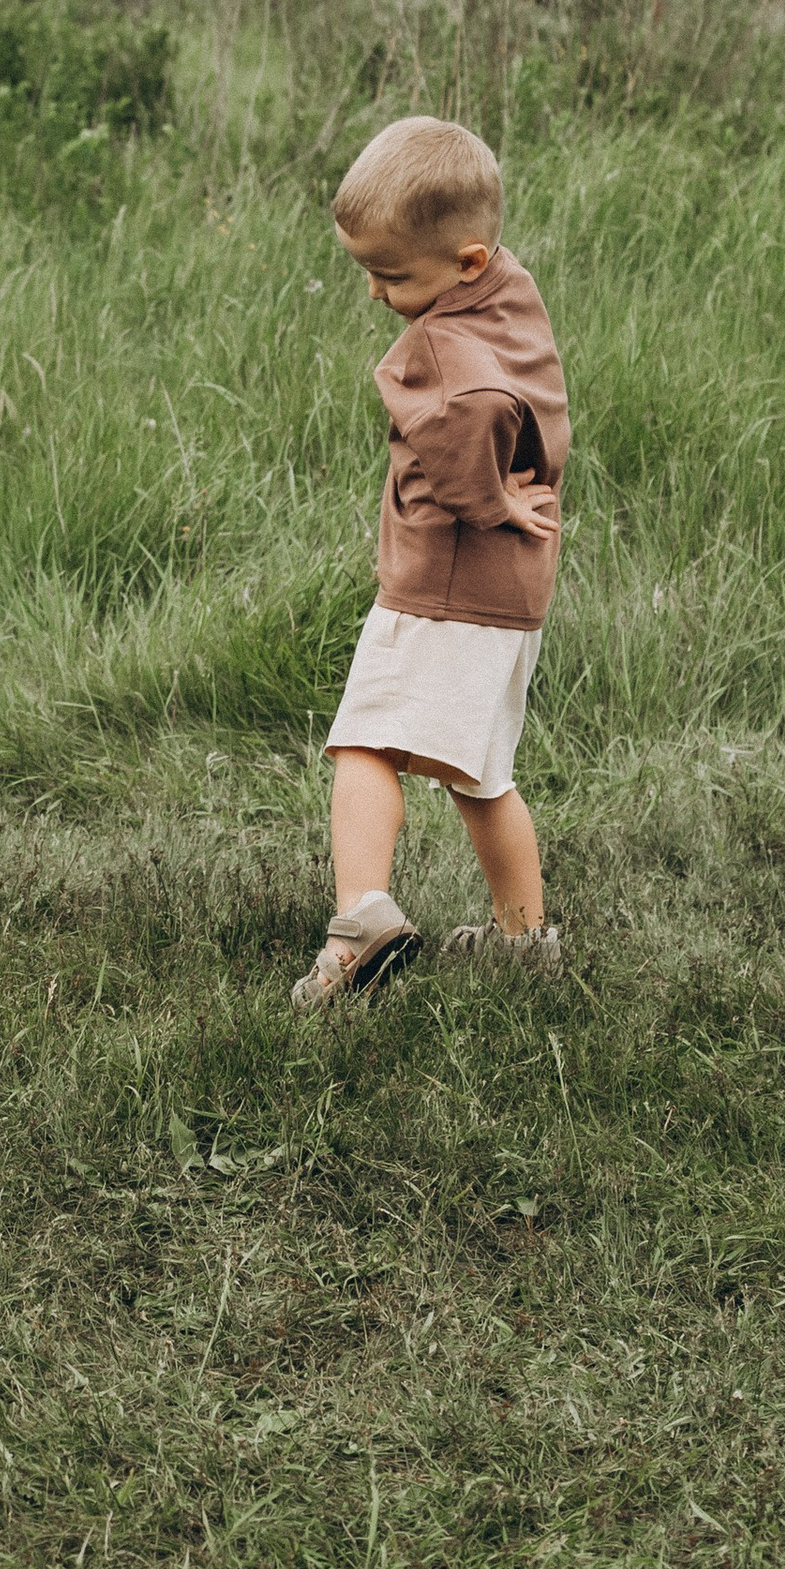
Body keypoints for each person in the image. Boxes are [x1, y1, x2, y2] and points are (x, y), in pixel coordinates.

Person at [293, 114, 568, 1009]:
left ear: (468, 263)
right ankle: (526, 943)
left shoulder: (440, 347)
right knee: (480, 770)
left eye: (390, 275)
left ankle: (360, 921)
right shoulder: (509, 295)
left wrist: (488, 501)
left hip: (443, 585)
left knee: (365, 741)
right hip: (508, 591)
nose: (375, 293)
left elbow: (471, 415)